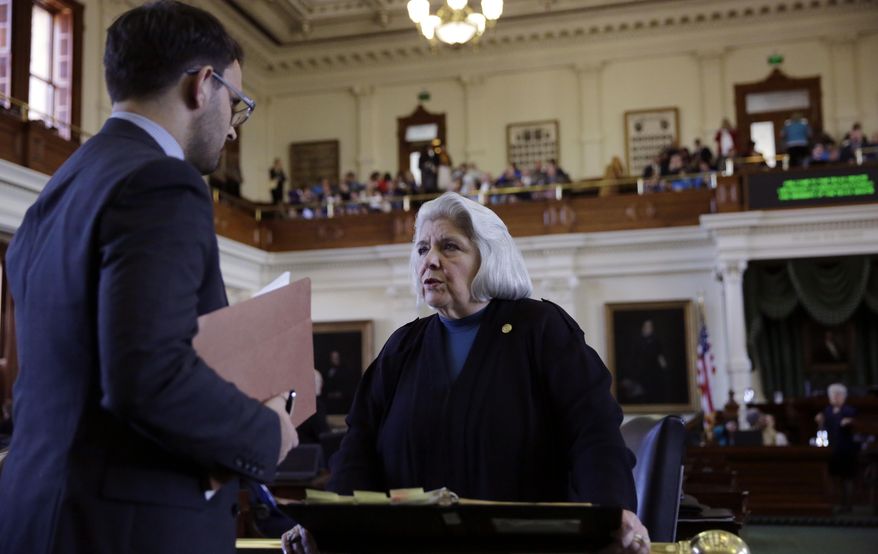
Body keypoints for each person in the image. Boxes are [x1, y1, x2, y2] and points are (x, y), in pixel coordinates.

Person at [0, 2, 298, 553]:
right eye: (238, 104)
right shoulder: (162, 182)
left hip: (35, 512)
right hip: (126, 528)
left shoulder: (59, 189)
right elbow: (149, 374)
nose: (234, 129)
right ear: (203, 85)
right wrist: (267, 430)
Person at [308, 192, 649, 554]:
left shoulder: (541, 329)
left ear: (487, 258)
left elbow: (593, 432)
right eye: (422, 250)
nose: (431, 261)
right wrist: (329, 525)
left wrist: (615, 513)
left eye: (449, 247)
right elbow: (359, 446)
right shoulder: (403, 347)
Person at [815, 383, 859, 512]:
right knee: (834, 477)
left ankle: (848, 504)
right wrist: (820, 419)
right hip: (832, 450)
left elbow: (856, 425)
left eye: (835, 395)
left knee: (847, 478)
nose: (833, 397)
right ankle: (834, 503)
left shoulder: (849, 410)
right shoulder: (827, 410)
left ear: (842, 396)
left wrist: (850, 422)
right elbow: (823, 425)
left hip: (847, 450)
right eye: (832, 395)